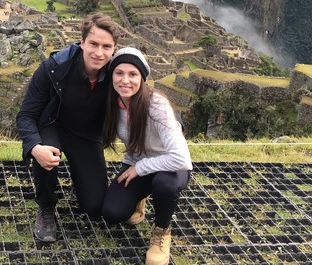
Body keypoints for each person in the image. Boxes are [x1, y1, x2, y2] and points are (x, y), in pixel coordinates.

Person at [16, 13, 121, 242]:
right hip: (53, 125)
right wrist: (34, 147)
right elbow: (26, 115)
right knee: (47, 153)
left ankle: (80, 181)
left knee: (94, 206)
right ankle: (46, 207)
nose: (99, 52)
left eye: (106, 46)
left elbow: (145, 98)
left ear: (114, 49)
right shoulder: (55, 67)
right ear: (82, 42)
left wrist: (174, 121)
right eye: (93, 44)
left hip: (87, 134)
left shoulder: (118, 72)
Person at [101, 47, 192, 265]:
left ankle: (162, 231)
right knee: (113, 213)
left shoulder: (156, 105)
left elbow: (181, 158)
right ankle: (139, 200)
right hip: (137, 163)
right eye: (119, 73)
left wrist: (139, 168)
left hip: (171, 167)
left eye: (132, 74)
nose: (125, 80)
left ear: (142, 78)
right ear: (111, 76)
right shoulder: (112, 103)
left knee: (164, 184)